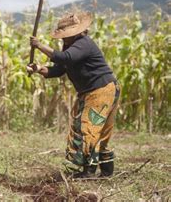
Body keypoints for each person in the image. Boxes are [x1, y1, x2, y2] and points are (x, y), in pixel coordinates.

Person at [27, 11, 120, 178]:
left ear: (76, 33)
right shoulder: (71, 46)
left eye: (65, 35)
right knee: (97, 131)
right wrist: (38, 69)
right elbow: (59, 70)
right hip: (98, 91)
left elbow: (65, 59)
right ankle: (106, 173)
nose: (63, 39)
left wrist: (39, 46)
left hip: (101, 91)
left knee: (87, 129)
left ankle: (88, 172)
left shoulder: (83, 44)